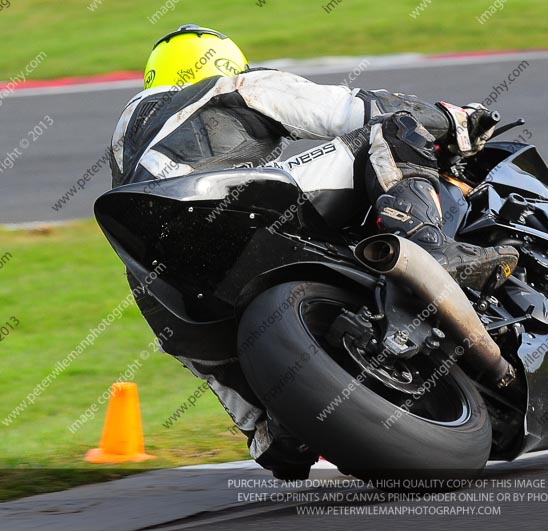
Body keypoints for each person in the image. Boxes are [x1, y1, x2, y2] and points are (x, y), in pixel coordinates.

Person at [111, 24, 518, 478]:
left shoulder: (128, 153)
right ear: (220, 62)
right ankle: (429, 243)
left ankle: (269, 426)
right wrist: (455, 120)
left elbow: (198, 353)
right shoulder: (232, 85)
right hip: (237, 201)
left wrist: (262, 427)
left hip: (164, 274)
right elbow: (354, 109)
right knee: (393, 132)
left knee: (193, 337)